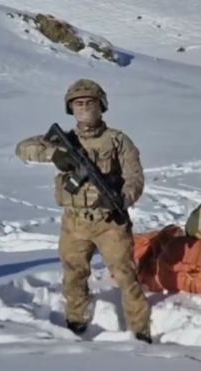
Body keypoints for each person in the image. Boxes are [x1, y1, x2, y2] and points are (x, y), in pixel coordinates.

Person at [14, 79, 153, 344]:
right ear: (70, 108)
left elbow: (134, 177)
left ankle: (140, 329)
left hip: (109, 222)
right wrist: (55, 155)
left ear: (102, 106)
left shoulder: (118, 141)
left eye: (90, 103)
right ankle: (76, 319)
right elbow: (23, 149)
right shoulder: (64, 141)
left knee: (126, 276)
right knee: (74, 273)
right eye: (78, 103)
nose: (85, 108)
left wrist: (122, 199)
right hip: (74, 222)